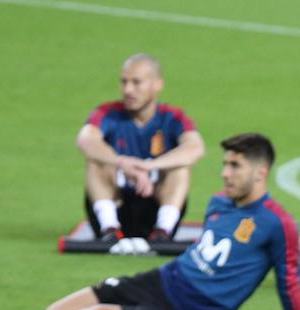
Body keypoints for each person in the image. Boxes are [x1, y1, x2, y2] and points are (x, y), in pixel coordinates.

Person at [0, 134, 300, 310]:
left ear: (261, 172)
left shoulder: (278, 224)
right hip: (162, 281)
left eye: (235, 166)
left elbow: (289, 283)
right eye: (225, 164)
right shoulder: (219, 203)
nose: (225, 173)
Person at [77, 54, 205, 243]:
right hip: (118, 207)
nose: (128, 90)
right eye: (124, 82)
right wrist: (122, 163)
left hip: (152, 210)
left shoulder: (172, 117)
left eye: (137, 82)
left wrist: (150, 166)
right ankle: (109, 229)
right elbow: (86, 140)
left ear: (157, 85)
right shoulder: (107, 113)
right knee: (97, 160)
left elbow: (195, 148)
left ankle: (163, 231)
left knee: (180, 168)